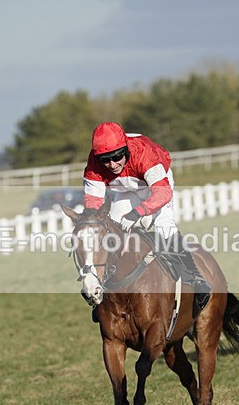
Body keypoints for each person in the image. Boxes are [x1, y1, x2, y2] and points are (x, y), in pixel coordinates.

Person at [82, 121, 211, 316]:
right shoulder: (94, 163)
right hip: (125, 189)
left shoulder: (144, 153)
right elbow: (93, 203)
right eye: (105, 160)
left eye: (117, 157)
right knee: (110, 230)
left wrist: (137, 213)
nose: (112, 164)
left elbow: (163, 193)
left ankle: (195, 278)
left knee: (163, 226)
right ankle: (103, 291)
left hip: (156, 185)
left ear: (126, 150)